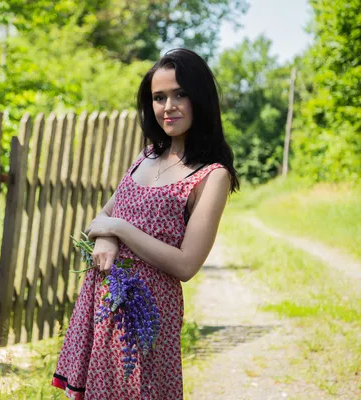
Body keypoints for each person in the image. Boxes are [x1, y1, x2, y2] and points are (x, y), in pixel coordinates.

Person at [51, 48, 240, 399]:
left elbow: (186, 264)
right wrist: (107, 238)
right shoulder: (147, 155)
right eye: (159, 97)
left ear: (201, 98)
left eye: (180, 94)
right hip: (105, 298)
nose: (168, 106)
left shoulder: (212, 176)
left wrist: (119, 230)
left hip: (148, 312)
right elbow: (100, 219)